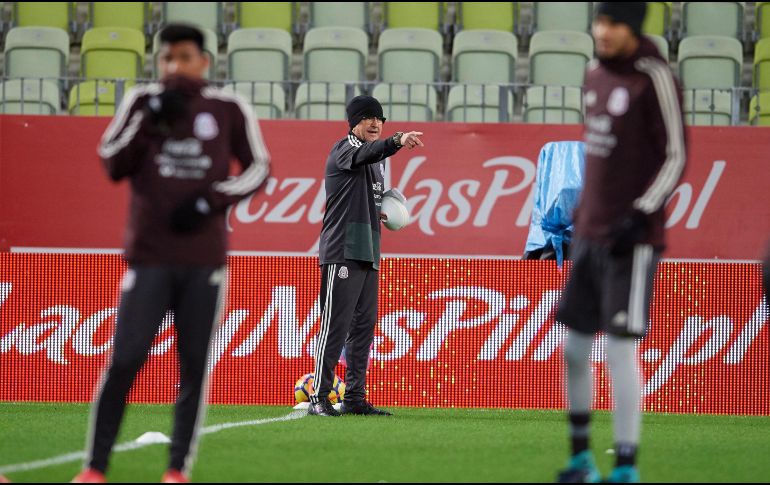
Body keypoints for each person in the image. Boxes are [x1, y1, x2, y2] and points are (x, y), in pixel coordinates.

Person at [72, 24, 270, 484]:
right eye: (166, 58)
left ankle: (177, 470)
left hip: (204, 259)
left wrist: (210, 200)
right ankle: (95, 468)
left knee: (193, 366)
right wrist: (149, 121)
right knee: (125, 359)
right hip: (150, 256)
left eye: (183, 57)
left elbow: (260, 167)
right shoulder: (142, 101)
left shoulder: (227, 107)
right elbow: (111, 162)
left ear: (204, 61)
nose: (173, 66)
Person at [555, 3, 687, 483]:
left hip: (632, 240)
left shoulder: (654, 76)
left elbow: (676, 156)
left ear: (631, 27)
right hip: (590, 234)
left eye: (611, 23)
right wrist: (582, 212)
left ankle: (626, 466)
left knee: (618, 351)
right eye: (598, 21)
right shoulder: (593, 73)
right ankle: (581, 458)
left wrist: (640, 214)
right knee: (573, 349)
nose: (601, 31)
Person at [309, 95, 423, 417]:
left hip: (368, 249)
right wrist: (397, 140)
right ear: (353, 122)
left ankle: (355, 397)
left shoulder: (376, 161)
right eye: (368, 118)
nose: (375, 123)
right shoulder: (345, 148)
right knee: (335, 325)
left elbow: (364, 190)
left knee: (363, 328)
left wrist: (382, 210)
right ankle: (319, 396)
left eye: (379, 119)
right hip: (343, 249)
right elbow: (368, 152)